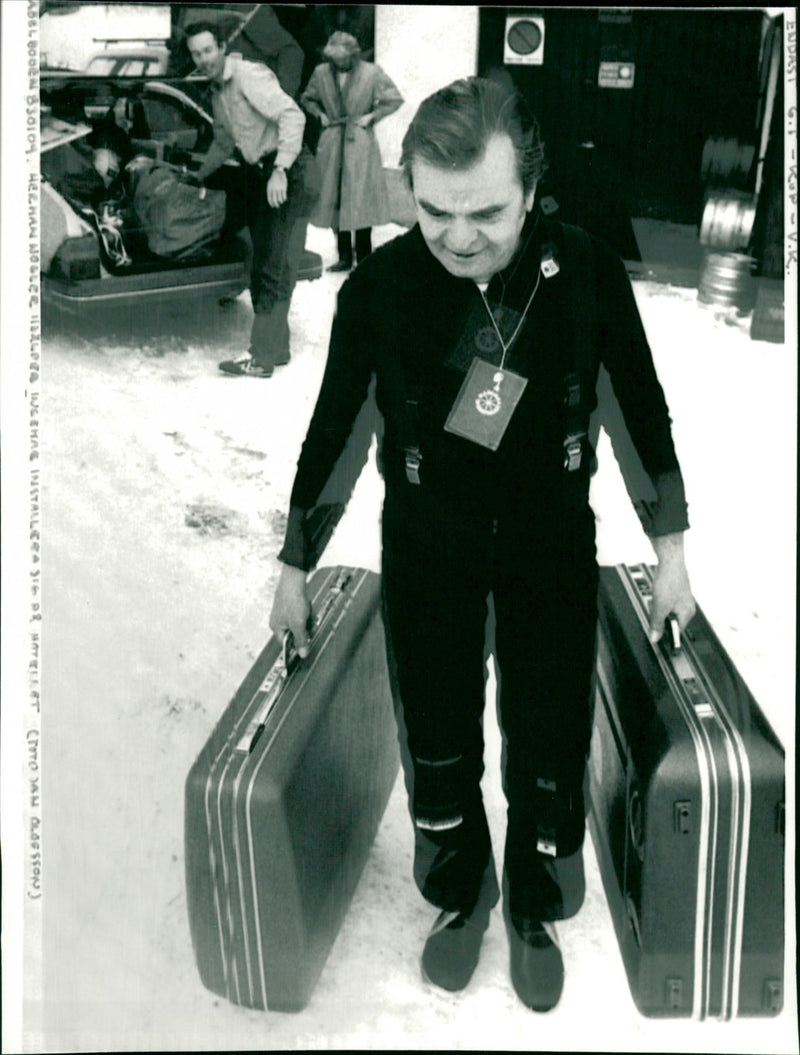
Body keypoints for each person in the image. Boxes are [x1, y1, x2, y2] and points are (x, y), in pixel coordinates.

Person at [268, 78, 696, 1011]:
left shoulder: (585, 273)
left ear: (532, 190)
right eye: (434, 211)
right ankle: (463, 895)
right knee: (440, 748)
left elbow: (636, 410)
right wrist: (294, 563)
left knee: (548, 741)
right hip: (430, 553)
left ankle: (535, 902)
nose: (459, 236)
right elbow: (337, 430)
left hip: (550, 553)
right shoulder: (380, 289)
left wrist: (671, 546)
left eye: (487, 213)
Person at [186, 20, 318, 379]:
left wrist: (280, 170)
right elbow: (224, 143)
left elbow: (292, 114)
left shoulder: (247, 76)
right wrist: (195, 177)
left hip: (288, 169)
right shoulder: (218, 92)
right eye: (196, 53)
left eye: (208, 50)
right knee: (271, 261)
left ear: (221, 47)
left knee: (269, 266)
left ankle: (260, 357)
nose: (203, 58)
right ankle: (278, 349)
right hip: (267, 171)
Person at [300, 32, 403, 271]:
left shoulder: (371, 73)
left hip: (360, 143)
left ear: (353, 55)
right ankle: (344, 256)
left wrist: (373, 116)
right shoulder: (321, 73)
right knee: (336, 199)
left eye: (343, 60)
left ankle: (364, 258)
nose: (338, 65)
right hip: (332, 141)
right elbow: (307, 99)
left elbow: (393, 99)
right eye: (334, 60)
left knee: (361, 199)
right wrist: (320, 115)